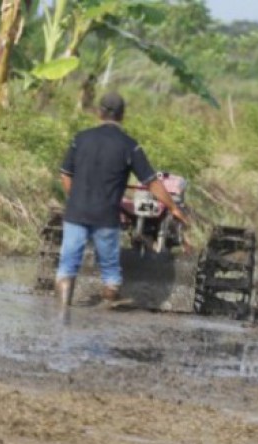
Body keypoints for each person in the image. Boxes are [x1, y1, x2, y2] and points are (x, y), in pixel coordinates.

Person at [55, 91, 190, 306]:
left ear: (99, 112)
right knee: (110, 271)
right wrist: (173, 207)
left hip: (76, 213)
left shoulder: (80, 139)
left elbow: (65, 174)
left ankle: (62, 313)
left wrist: (76, 198)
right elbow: (151, 182)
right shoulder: (129, 145)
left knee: (67, 266)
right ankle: (110, 299)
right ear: (122, 115)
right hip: (106, 216)